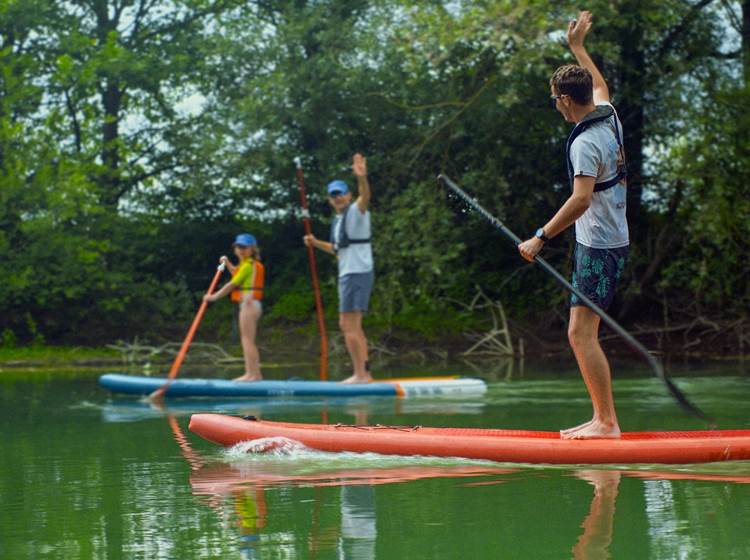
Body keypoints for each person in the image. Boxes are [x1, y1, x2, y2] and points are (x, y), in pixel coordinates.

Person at [517, 11, 629, 439]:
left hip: (600, 245)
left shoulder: (585, 143)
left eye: (555, 99)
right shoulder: (608, 113)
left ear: (565, 98)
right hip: (607, 239)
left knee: (581, 334)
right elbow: (600, 84)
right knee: (580, 332)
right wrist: (578, 49)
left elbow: (581, 200)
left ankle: (607, 422)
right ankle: (602, 418)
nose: (556, 106)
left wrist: (540, 238)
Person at [304, 153, 373, 384]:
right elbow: (336, 249)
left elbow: (365, 197)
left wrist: (361, 177)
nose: (337, 198)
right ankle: (364, 373)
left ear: (348, 195)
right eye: (333, 196)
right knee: (353, 325)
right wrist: (315, 243)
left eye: (341, 194)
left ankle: (360, 375)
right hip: (348, 272)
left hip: (357, 271)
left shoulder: (356, 210)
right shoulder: (337, 221)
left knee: (347, 324)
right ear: (330, 199)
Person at [204, 233, 265, 381]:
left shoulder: (248, 265)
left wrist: (213, 297)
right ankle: (254, 374)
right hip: (250, 305)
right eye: (238, 247)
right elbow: (236, 274)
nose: (241, 250)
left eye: (244, 247)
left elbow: (232, 284)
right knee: (247, 339)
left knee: (247, 340)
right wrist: (228, 263)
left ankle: (252, 375)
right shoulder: (246, 265)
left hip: (249, 305)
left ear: (252, 249)